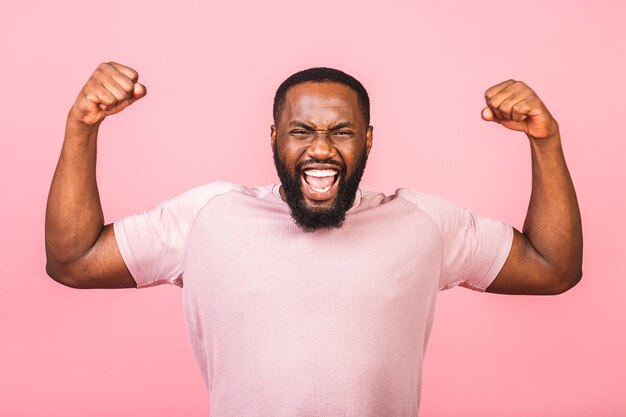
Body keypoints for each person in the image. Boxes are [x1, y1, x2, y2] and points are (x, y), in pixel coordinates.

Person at [45, 62, 583, 416]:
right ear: (275, 137)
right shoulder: (207, 216)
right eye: (302, 131)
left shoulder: (423, 223)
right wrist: (80, 126)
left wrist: (545, 140)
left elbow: (553, 268)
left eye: (341, 131)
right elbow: (75, 260)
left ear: (367, 139)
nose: (320, 148)